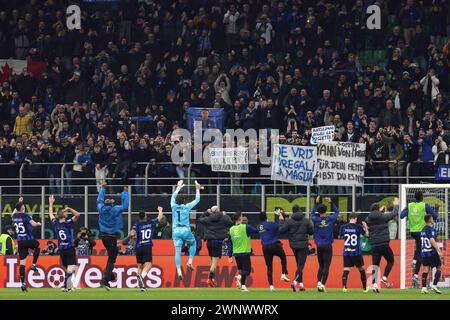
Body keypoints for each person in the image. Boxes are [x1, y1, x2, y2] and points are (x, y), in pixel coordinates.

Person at [400, 190, 439, 287]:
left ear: (414, 198)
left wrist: (410, 213)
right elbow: (435, 216)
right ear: (422, 197)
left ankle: (415, 268)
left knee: (419, 249)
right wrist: (436, 209)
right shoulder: (424, 205)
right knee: (424, 252)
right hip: (423, 232)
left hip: (413, 232)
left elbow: (401, 216)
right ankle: (416, 274)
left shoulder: (410, 205)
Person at [97, 183, 129, 290]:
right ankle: (105, 280)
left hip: (103, 237)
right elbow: (125, 206)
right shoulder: (114, 209)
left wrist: (103, 189)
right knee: (112, 258)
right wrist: (125, 193)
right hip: (111, 237)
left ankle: (109, 277)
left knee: (112, 256)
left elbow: (99, 200)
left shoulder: (101, 208)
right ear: (111, 204)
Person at [365, 198, 399, 293]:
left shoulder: (367, 219)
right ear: (378, 209)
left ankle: (375, 285)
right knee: (391, 261)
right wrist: (396, 205)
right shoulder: (383, 217)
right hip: (384, 243)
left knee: (375, 265)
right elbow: (393, 214)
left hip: (374, 245)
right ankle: (384, 277)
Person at [171, 180, 202, 280]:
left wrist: (178, 187)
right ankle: (189, 262)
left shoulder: (173, 206)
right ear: (184, 200)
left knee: (177, 252)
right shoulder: (187, 207)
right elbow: (197, 200)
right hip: (185, 230)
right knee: (193, 244)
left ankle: (179, 270)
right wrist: (197, 189)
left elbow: (173, 196)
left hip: (176, 231)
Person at [48, 194, 80, 291]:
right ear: (65, 215)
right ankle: (67, 286)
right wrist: (69, 208)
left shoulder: (55, 223)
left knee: (67, 269)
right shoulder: (67, 223)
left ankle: (67, 287)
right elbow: (78, 215)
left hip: (61, 249)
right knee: (71, 268)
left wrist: (50, 203)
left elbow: (50, 214)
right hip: (69, 248)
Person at [279, 205, 313, 292]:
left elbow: (281, 230)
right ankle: (294, 282)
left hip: (293, 245)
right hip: (303, 245)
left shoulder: (290, 221)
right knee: (301, 266)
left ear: (293, 211)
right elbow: (311, 232)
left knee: (299, 265)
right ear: (300, 210)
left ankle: (301, 285)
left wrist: (282, 221)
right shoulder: (306, 220)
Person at [128, 207, 164, 292]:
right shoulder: (150, 223)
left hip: (138, 247)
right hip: (147, 246)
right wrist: (160, 210)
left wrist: (133, 236)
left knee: (140, 266)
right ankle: (141, 278)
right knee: (148, 265)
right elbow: (160, 218)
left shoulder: (136, 224)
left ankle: (140, 285)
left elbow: (132, 233)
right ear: (145, 216)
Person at [198, 205, 233, 288]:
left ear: (212, 212)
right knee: (215, 263)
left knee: (212, 261)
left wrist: (206, 212)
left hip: (209, 242)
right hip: (217, 242)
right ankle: (210, 279)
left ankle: (212, 278)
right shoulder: (223, 218)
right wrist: (225, 215)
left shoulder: (208, 218)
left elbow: (200, 219)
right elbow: (231, 223)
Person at [12, 197, 42, 292]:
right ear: (22, 208)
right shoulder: (26, 215)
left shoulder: (15, 216)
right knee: (38, 246)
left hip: (20, 242)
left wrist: (19, 203)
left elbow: (13, 213)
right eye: (23, 205)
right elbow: (33, 224)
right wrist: (38, 223)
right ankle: (33, 265)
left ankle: (23, 283)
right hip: (28, 239)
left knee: (22, 263)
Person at [310, 196, 339, 292]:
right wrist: (331, 203)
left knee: (321, 266)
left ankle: (318, 282)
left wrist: (316, 204)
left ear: (318, 211)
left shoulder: (315, 219)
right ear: (326, 211)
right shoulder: (330, 219)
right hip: (327, 245)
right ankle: (322, 284)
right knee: (326, 266)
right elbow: (337, 212)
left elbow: (311, 214)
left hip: (319, 245)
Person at [257, 210, 289, 292]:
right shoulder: (270, 224)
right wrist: (280, 216)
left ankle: (271, 286)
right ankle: (283, 274)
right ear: (266, 217)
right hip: (274, 245)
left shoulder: (259, 226)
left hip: (265, 247)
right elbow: (281, 227)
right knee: (283, 257)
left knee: (269, 267)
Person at [339, 213, 369, 293]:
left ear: (349, 218)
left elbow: (339, 236)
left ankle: (344, 287)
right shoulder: (358, 227)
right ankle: (365, 288)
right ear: (355, 218)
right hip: (356, 252)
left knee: (346, 269)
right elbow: (366, 235)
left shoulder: (343, 227)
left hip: (347, 252)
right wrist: (365, 227)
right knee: (361, 269)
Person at [229, 212, 259, 292]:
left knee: (242, 270)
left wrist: (230, 255)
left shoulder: (231, 229)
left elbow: (230, 243)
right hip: (244, 252)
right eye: (242, 216)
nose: (243, 217)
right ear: (239, 218)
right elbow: (257, 231)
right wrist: (262, 225)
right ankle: (239, 277)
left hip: (236, 253)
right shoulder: (245, 227)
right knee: (247, 271)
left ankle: (243, 286)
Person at [420, 214, 442, 294]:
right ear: (429, 220)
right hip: (431, 252)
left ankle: (424, 288)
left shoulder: (422, 229)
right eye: (432, 218)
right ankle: (434, 285)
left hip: (424, 253)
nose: (433, 219)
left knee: (425, 269)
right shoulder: (430, 229)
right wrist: (438, 250)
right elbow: (432, 240)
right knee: (439, 267)